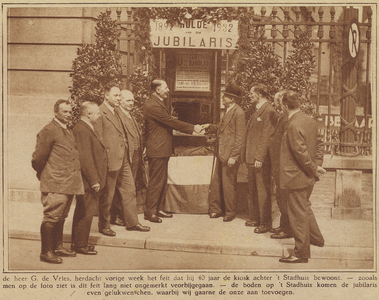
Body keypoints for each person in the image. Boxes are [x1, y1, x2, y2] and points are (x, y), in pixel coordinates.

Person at [32, 100, 84, 264]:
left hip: (69, 183)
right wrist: (45, 174)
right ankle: (46, 251)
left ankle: (58, 246)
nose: (68, 115)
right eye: (64, 112)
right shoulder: (49, 130)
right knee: (51, 217)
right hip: (56, 182)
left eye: (70, 112)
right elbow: (38, 159)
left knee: (61, 216)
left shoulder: (66, 130)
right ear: (56, 112)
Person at [144, 79, 202, 223]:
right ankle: (150, 212)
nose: (168, 90)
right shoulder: (152, 105)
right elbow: (169, 121)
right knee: (156, 181)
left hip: (161, 148)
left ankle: (158, 208)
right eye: (166, 87)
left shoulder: (157, 103)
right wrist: (192, 127)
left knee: (162, 180)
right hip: (157, 149)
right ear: (157, 90)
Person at [94, 84, 150, 236]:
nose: (118, 99)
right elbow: (98, 140)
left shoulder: (117, 111)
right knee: (108, 195)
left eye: (119, 96)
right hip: (110, 160)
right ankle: (104, 225)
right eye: (116, 96)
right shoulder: (100, 112)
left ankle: (133, 223)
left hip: (123, 157)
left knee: (129, 190)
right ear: (106, 96)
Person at [278, 90, 325, 263]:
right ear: (298, 104)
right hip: (306, 175)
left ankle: (301, 253)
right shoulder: (309, 120)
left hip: (296, 176)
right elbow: (319, 143)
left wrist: (314, 168)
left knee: (297, 214)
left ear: (284, 106)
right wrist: (317, 165)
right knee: (304, 207)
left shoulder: (292, 124)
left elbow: (300, 152)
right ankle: (317, 239)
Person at [204, 81, 246, 222]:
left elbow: (241, 137)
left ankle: (230, 212)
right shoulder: (228, 111)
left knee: (228, 185)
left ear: (232, 99)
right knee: (217, 183)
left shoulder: (239, 113)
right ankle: (215, 209)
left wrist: (234, 155)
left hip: (229, 156)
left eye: (225, 96)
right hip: (222, 153)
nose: (223, 98)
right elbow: (222, 128)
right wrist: (210, 126)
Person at [71, 101, 107, 255]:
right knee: (85, 211)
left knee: (85, 210)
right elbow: (85, 158)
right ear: (88, 114)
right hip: (88, 180)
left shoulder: (85, 127)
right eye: (97, 113)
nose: (99, 115)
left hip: (89, 180)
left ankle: (80, 242)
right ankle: (80, 245)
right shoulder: (82, 129)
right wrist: (94, 180)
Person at [244, 83, 278, 233]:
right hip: (251, 158)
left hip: (259, 159)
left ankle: (265, 223)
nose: (249, 95)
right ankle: (256, 218)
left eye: (252, 93)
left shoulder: (269, 111)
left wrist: (259, 157)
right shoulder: (257, 110)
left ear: (259, 94)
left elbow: (267, 137)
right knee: (253, 189)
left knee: (262, 190)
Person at [111, 89, 146, 226]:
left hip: (135, 156)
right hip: (126, 157)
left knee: (128, 187)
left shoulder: (129, 115)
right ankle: (118, 216)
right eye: (128, 101)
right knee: (124, 188)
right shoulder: (118, 115)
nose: (131, 103)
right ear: (120, 101)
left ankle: (122, 215)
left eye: (132, 100)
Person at [268, 90, 294, 239]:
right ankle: (284, 225)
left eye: (277, 102)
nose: (275, 104)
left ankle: (287, 229)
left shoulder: (286, 119)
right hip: (277, 164)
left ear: (283, 104)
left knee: (284, 198)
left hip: (282, 165)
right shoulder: (282, 117)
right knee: (280, 196)